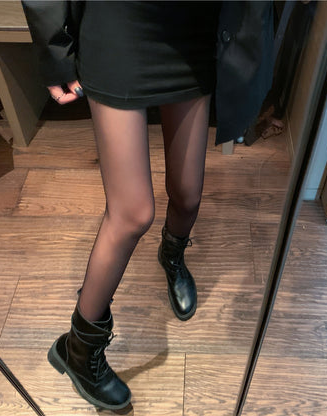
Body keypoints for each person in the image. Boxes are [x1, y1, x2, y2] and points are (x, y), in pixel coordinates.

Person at [22, 0, 274, 410]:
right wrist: (56, 50)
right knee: (132, 214)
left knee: (188, 194)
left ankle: (171, 256)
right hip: (118, 22)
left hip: (195, 29)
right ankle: (78, 349)